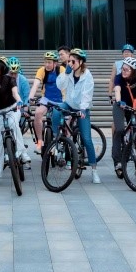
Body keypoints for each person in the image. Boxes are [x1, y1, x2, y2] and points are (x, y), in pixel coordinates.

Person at [56, 47, 100, 183]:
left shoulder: (87, 75)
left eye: (73, 61)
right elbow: (60, 86)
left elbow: (87, 95)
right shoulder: (68, 73)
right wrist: (65, 73)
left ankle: (94, 170)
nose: (70, 63)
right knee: (56, 111)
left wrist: (82, 109)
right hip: (69, 103)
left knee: (86, 139)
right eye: (69, 61)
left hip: (82, 107)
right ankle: (57, 138)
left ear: (80, 62)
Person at [0, 56, 28, 187]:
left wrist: (20, 100)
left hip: (12, 109)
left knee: (14, 125)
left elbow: (15, 93)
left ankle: (22, 152)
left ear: (2, 68)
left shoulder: (11, 79)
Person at [109, 56, 136, 180]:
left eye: (126, 69)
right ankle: (117, 161)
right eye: (123, 68)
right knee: (119, 130)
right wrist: (119, 102)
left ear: (134, 71)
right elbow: (117, 90)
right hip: (120, 105)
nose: (123, 71)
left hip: (133, 104)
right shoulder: (119, 77)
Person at [29, 51, 67, 154]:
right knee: (37, 113)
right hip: (47, 98)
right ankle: (40, 142)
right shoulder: (42, 70)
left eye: (49, 62)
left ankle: (63, 142)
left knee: (62, 122)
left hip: (60, 99)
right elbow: (36, 85)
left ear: (55, 63)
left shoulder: (61, 70)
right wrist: (30, 98)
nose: (47, 65)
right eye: (45, 62)